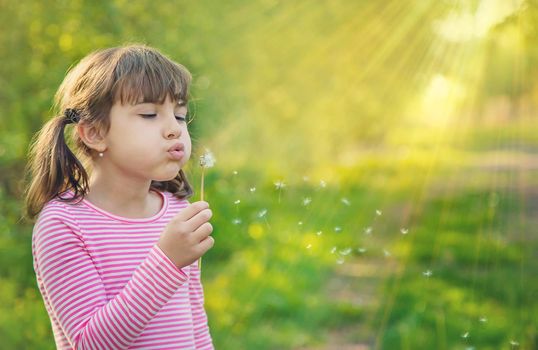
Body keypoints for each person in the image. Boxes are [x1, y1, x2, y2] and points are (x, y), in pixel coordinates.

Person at [24, 44, 215, 349]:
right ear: (96, 133)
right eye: (150, 114)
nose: (174, 130)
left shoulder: (176, 211)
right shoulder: (64, 225)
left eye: (179, 116)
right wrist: (167, 261)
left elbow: (196, 325)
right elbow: (91, 343)